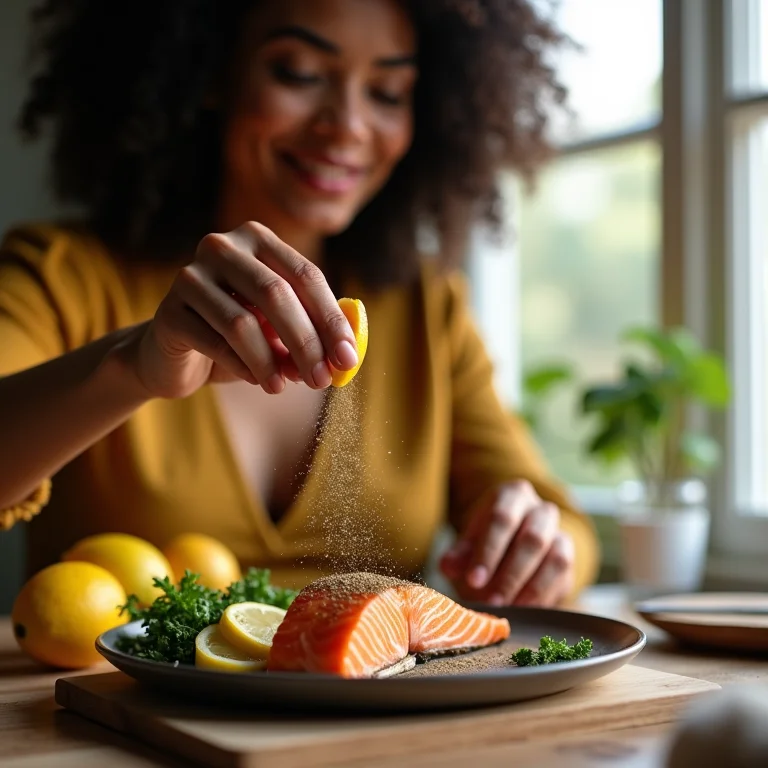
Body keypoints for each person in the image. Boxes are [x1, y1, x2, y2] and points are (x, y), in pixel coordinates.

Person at [0, 0, 599, 606]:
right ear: (211, 74)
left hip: (376, 701)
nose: (348, 126)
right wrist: (131, 365)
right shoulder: (64, 275)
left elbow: (559, 522)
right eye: (299, 73)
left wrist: (539, 547)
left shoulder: (427, 308)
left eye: (387, 92)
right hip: (112, 702)